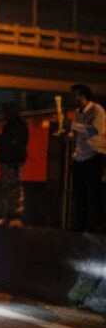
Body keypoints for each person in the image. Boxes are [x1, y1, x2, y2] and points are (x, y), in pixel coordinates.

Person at [70, 84, 106, 232]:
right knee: (79, 193)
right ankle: (80, 225)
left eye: (74, 95)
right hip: (80, 157)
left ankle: (95, 225)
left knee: (93, 192)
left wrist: (74, 126)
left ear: (82, 96)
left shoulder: (97, 110)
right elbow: (79, 131)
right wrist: (70, 135)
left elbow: (95, 130)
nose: (72, 98)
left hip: (94, 154)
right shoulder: (78, 112)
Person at [0, 101, 28, 226]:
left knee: (15, 188)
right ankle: (9, 215)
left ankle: (16, 216)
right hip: (6, 160)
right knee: (7, 188)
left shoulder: (18, 125)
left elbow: (13, 142)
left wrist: (4, 142)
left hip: (13, 160)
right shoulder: (8, 125)